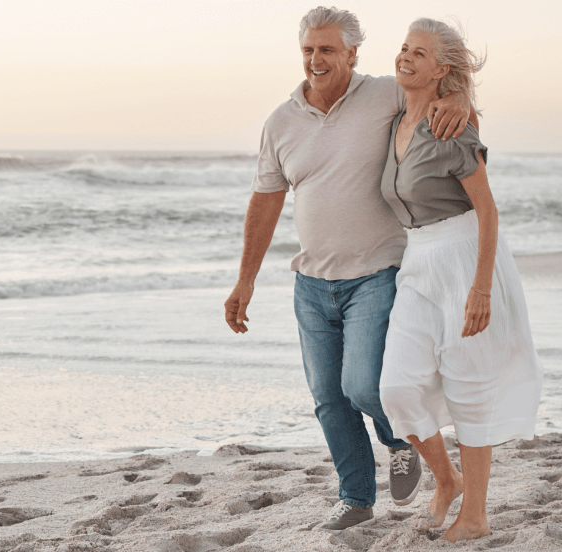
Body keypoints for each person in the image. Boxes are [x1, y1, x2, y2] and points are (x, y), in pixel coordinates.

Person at [223, 6, 473, 531]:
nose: (316, 60)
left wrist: (459, 98)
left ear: (352, 53)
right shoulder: (281, 121)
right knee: (329, 400)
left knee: (364, 387)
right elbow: (265, 201)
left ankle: (398, 441)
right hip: (311, 283)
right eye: (308, 50)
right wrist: (245, 279)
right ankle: (356, 498)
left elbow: (434, 91)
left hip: (377, 273)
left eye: (327, 49)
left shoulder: (384, 94)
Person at [376, 18, 543, 542]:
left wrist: (481, 287)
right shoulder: (393, 119)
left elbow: (488, 211)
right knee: (396, 387)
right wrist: (460, 96)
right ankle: (446, 480)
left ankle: (475, 516)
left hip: (464, 255)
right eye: (404, 48)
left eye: (419, 53)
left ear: (440, 70)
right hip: (417, 262)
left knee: (470, 387)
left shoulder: (453, 127)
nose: (406, 57)